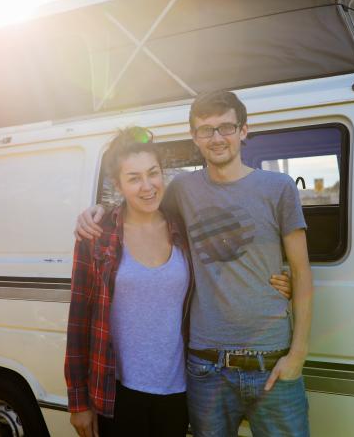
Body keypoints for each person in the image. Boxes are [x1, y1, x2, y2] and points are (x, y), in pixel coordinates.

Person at [76, 91, 313, 437]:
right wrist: (95, 210)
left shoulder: (279, 188)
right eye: (206, 130)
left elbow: (303, 271)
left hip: (271, 362)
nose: (217, 138)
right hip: (205, 367)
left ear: (244, 130)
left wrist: (298, 356)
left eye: (226, 128)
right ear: (195, 137)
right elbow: (140, 204)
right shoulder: (182, 190)